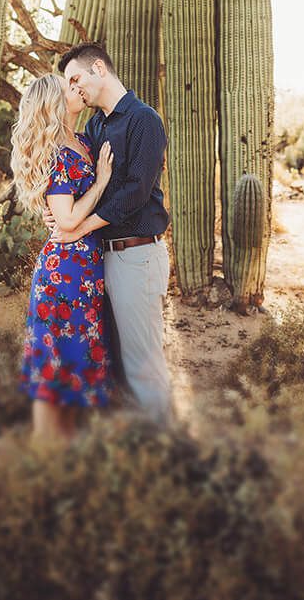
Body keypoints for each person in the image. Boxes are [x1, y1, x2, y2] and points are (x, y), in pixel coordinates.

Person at [52, 42, 175, 425]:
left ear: (99, 70)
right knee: (117, 363)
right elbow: (80, 184)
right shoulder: (96, 126)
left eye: (76, 78)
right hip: (102, 259)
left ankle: (168, 448)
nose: (74, 89)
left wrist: (80, 227)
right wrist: (58, 217)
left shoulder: (144, 120)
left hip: (137, 256)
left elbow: (137, 191)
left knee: (142, 364)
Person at [10, 73, 115, 440]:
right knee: (51, 369)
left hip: (85, 268)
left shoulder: (82, 141)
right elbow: (67, 220)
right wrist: (100, 183)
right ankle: (43, 456)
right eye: (68, 88)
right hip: (64, 272)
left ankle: (61, 458)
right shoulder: (58, 153)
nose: (77, 89)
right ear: (55, 103)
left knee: (72, 365)